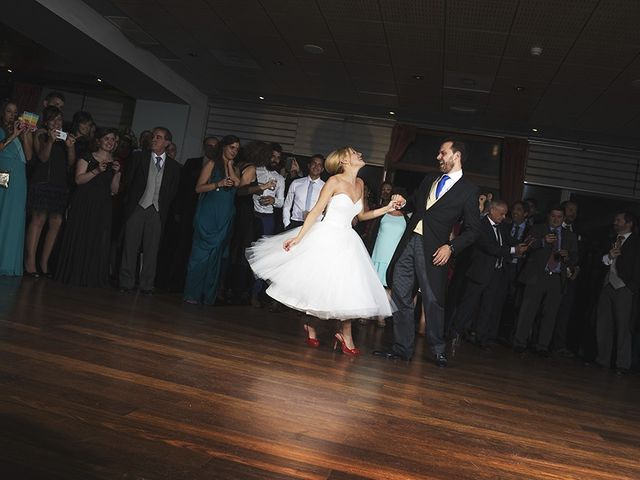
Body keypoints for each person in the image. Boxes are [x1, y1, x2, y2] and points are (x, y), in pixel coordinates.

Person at [246, 146, 401, 356]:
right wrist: (298, 238)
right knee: (322, 288)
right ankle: (324, 327)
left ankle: (337, 331)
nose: (359, 154)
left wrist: (388, 208)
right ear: (344, 161)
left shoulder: (360, 183)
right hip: (327, 237)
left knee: (346, 288)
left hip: (348, 241)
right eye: (354, 153)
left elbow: (362, 215)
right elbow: (317, 210)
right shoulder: (334, 181)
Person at [373, 138, 481, 367]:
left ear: (456, 156)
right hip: (409, 243)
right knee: (401, 294)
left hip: (435, 250)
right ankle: (402, 348)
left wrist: (451, 247)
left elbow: (473, 231)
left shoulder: (469, 190)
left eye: (442, 153)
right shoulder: (430, 179)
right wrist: (401, 201)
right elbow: (413, 204)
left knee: (432, 300)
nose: (438, 157)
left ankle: (438, 350)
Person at [449, 200, 529, 353]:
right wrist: (514, 250)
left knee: (488, 306)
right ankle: (455, 332)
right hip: (479, 272)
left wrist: (524, 245)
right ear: (492, 210)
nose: (504, 216)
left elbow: (509, 241)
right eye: (502, 213)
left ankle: (481, 337)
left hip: (496, 273)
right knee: (468, 304)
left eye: (505, 213)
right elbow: (490, 247)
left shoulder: (503, 227)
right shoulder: (480, 225)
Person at [55, 128, 121, 286]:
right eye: (107, 138)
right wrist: (97, 170)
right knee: (80, 235)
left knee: (97, 239)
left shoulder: (115, 163)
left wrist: (118, 174)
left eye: (113, 140)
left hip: (103, 205)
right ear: (99, 140)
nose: (109, 142)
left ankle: (91, 277)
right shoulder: (87, 157)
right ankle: (74, 274)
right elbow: (78, 180)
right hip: (84, 202)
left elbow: (114, 191)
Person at [119, 127, 180, 294]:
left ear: (167, 142)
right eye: (153, 136)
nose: (154, 139)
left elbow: (172, 192)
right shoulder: (139, 157)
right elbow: (129, 181)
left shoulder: (174, 167)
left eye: (158, 137)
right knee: (130, 247)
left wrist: (161, 207)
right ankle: (126, 282)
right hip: (138, 207)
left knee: (151, 250)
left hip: (157, 211)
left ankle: (146, 285)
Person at [513, 206, 578, 355]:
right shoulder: (537, 229)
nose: (556, 219)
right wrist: (543, 241)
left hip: (556, 278)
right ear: (549, 216)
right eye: (553, 216)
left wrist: (567, 256)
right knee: (527, 311)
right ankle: (519, 342)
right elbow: (525, 247)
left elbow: (575, 258)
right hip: (537, 276)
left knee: (550, 314)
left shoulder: (570, 235)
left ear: (563, 219)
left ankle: (542, 346)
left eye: (559, 217)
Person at [183, 135, 241, 305]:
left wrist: (230, 165)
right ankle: (192, 294)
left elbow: (238, 184)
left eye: (237, 149)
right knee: (200, 255)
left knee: (216, 257)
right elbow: (198, 188)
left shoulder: (234, 168)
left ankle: (207, 295)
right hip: (209, 214)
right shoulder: (211, 164)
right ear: (223, 147)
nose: (234, 151)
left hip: (225, 216)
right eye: (232, 147)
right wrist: (218, 184)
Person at [25, 105, 76, 277]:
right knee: (38, 219)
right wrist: (51, 140)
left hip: (58, 184)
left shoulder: (65, 137)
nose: (56, 123)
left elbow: (71, 162)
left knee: (56, 222)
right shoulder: (41, 134)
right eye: (53, 119)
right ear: (46, 122)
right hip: (42, 182)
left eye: (59, 119)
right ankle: (30, 262)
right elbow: (42, 157)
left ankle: (44, 262)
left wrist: (70, 146)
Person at [596, 212, 640, 373]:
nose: (614, 222)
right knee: (604, 324)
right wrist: (608, 256)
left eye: (618, 220)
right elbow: (598, 261)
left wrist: (631, 287)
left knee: (624, 327)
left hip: (624, 288)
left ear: (629, 223)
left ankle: (622, 364)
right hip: (608, 285)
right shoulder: (610, 239)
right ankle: (603, 360)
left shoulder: (636, 242)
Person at [0, 100, 33, 276]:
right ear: (2, 113)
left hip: (20, 177)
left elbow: (28, 156)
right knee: (2, 214)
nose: (12, 115)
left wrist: (25, 134)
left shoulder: (20, 133)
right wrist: (13, 135)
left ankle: (9, 262)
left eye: (15, 112)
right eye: (8, 111)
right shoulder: (2, 131)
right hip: (3, 175)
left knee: (15, 217)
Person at [282, 154, 325, 230]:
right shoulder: (296, 183)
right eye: (314, 163)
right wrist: (287, 224)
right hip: (296, 222)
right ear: (309, 165)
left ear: (322, 169)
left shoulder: (326, 187)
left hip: (315, 225)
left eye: (319, 165)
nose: (316, 166)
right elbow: (287, 205)